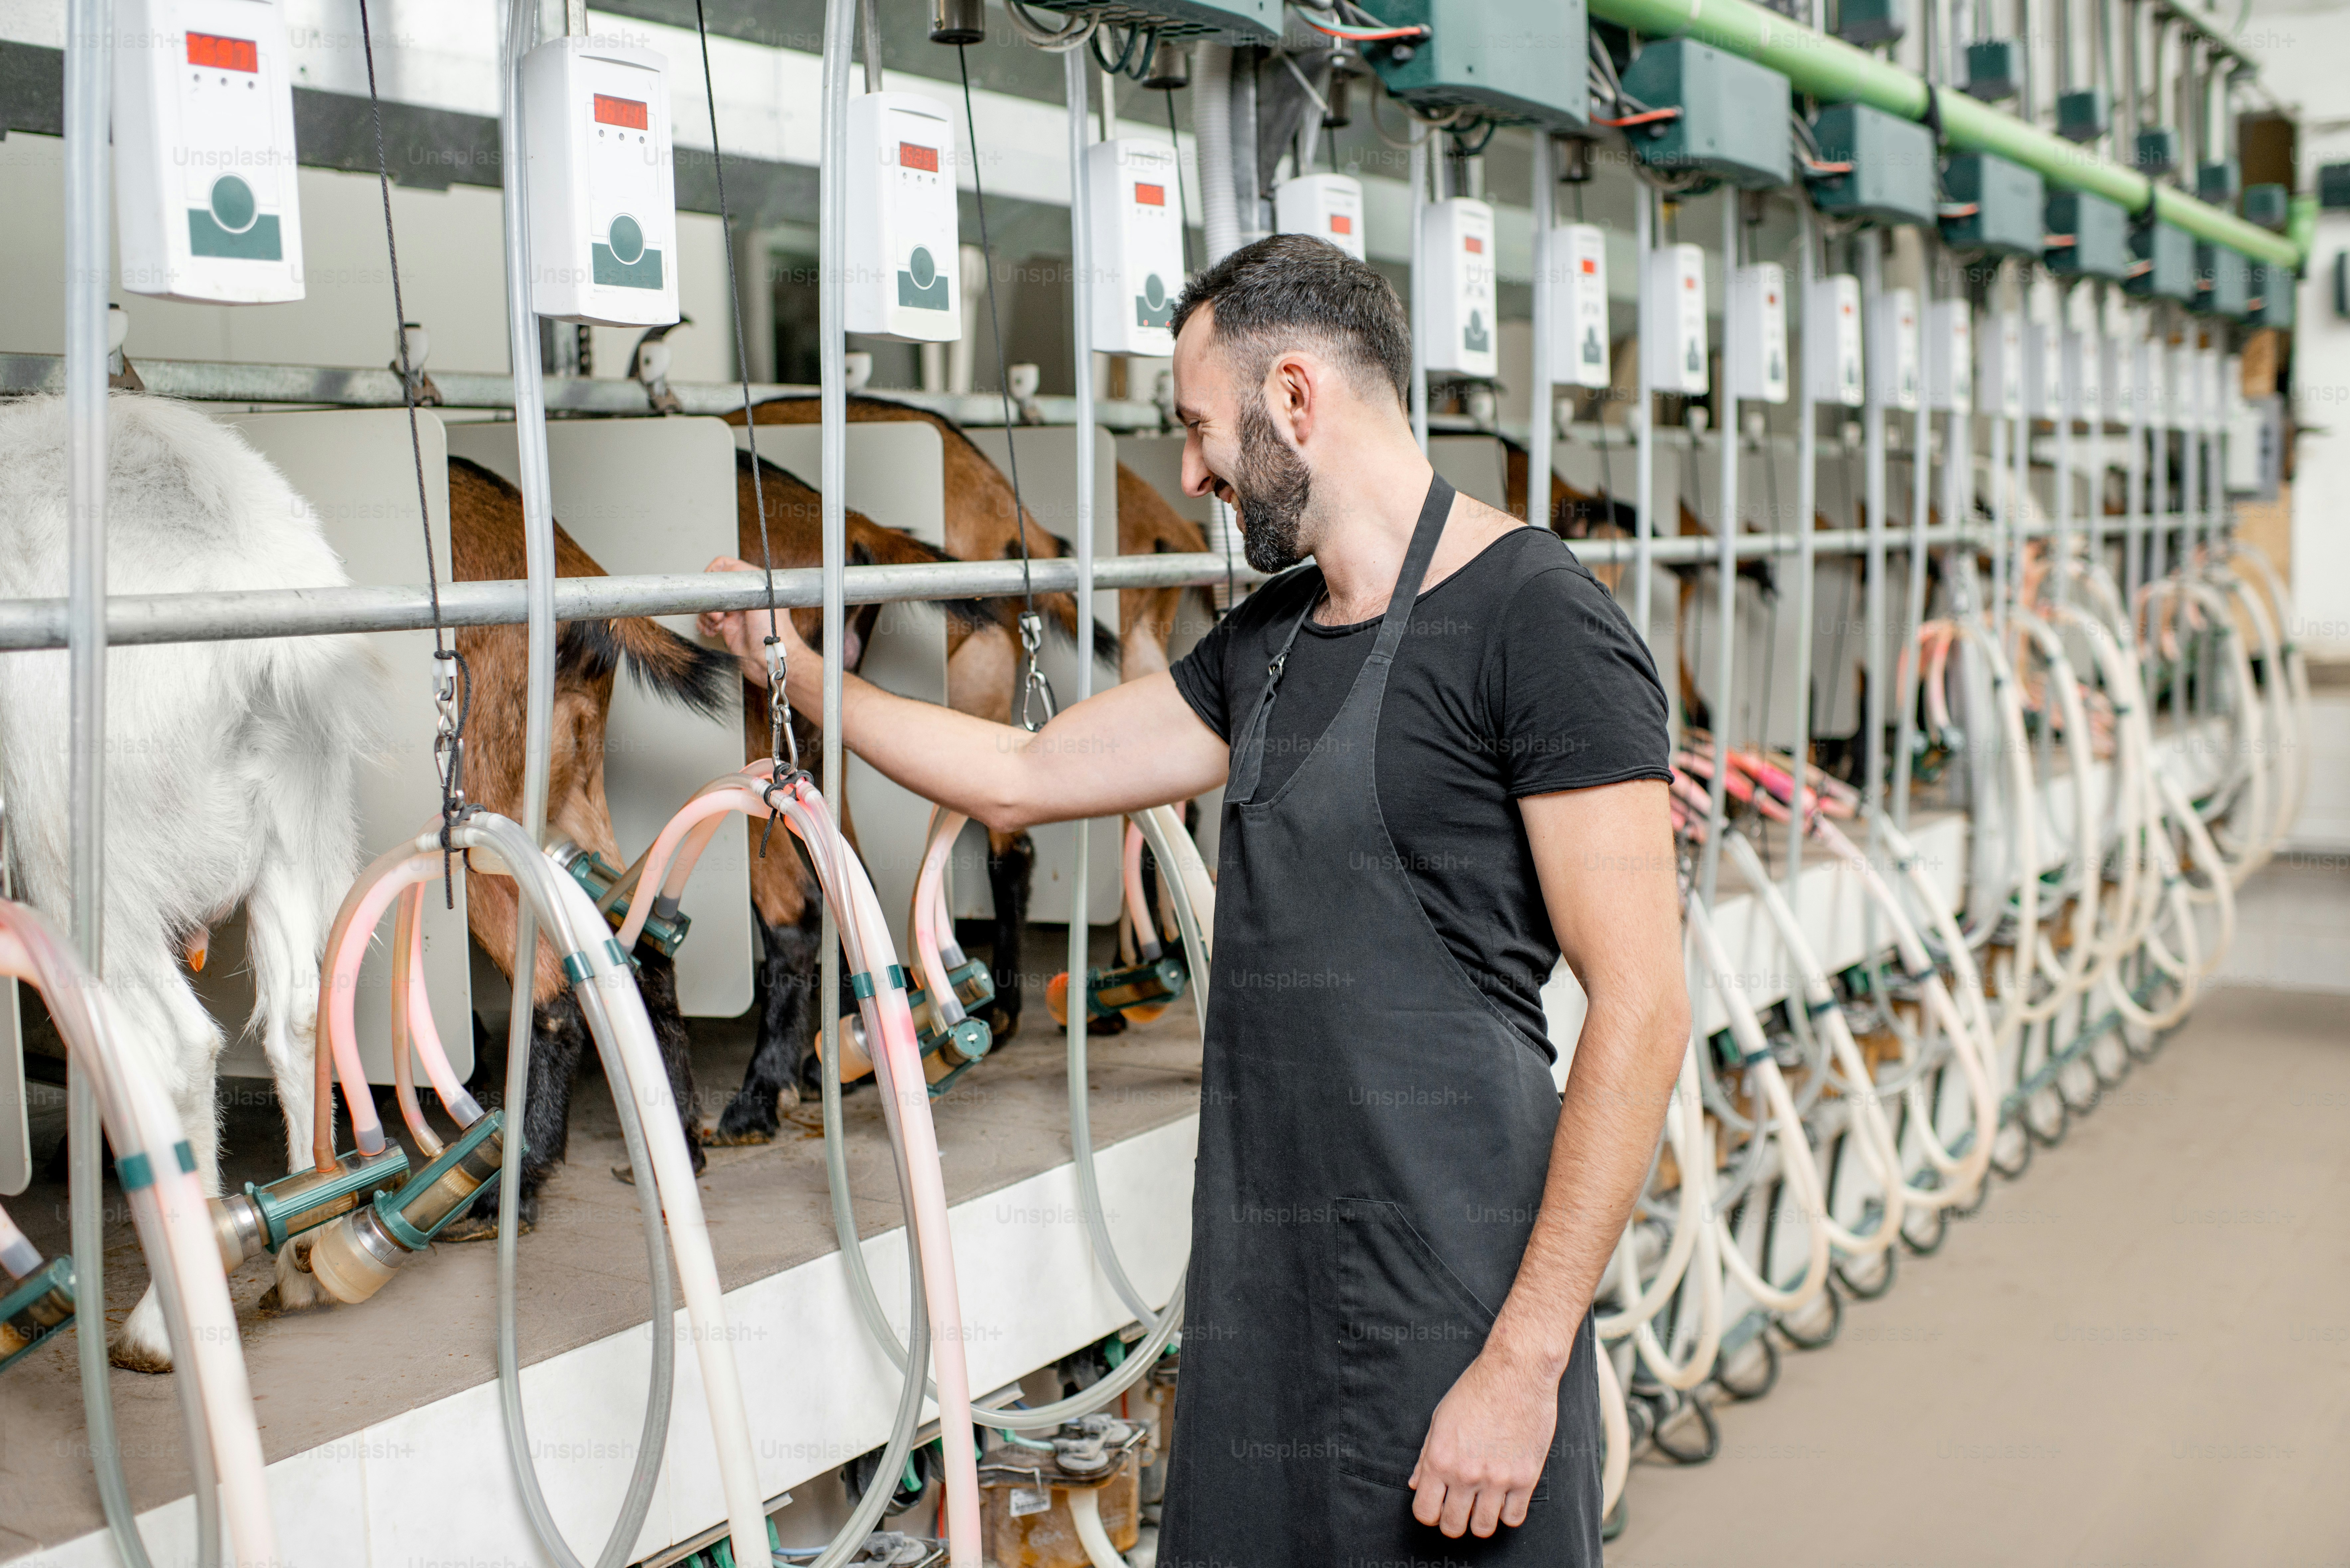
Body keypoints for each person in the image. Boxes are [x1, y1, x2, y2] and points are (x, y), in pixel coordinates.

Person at [702, 234, 1690, 1564]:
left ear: (1294, 399)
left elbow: (1643, 1010)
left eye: (1196, 428)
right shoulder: (1269, 644)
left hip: (1456, 1308)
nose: (1187, 475)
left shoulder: (1539, 622)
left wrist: (1524, 1363)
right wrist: (800, 674)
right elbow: (1028, 770)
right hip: (1265, 1304)